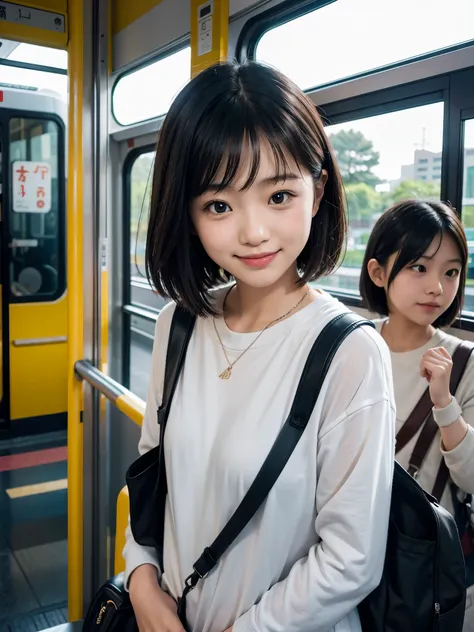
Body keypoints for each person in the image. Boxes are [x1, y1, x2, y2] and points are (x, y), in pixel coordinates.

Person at [123, 60, 396, 632]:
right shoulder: (180, 324)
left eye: (278, 196)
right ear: (188, 214)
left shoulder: (348, 353)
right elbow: (153, 479)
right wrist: (142, 580)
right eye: (219, 205)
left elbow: (351, 560)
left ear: (317, 192)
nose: (253, 232)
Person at [360, 199, 474, 631]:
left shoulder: (464, 362)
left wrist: (444, 403)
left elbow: (471, 478)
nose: (437, 288)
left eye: (451, 272)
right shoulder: (350, 345)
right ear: (378, 272)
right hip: (339, 542)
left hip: (417, 558)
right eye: (419, 268)